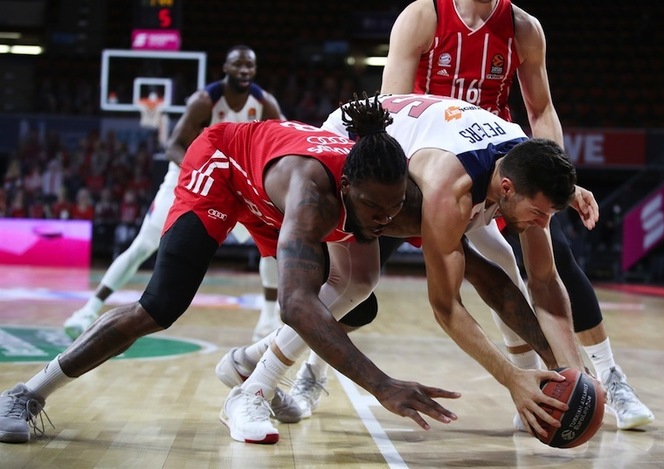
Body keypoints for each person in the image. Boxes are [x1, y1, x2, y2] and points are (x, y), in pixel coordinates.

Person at [0, 94, 460, 445]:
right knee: (160, 306)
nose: (383, 219)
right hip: (224, 166)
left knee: (357, 306)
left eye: (393, 208)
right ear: (345, 187)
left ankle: (250, 373)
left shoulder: (392, 197)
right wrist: (381, 385)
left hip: (270, 188)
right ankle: (28, 392)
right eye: (371, 207)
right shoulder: (313, 197)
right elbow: (295, 305)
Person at [215, 94, 601, 442]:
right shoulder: (451, 191)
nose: (539, 222)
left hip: (421, 144)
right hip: (350, 146)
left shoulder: (528, 168)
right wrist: (510, 379)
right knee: (352, 283)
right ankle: (255, 386)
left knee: (493, 266)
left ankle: (247, 362)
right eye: (538, 213)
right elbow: (446, 308)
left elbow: (543, 281)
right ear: (505, 189)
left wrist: (566, 368)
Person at [355, 0, 654, 431]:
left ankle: (603, 378)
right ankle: (310, 368)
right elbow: (392, 109)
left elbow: (541, 110)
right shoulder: (425, 15)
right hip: (428, 166)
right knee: (356, 277)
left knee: (554, 263)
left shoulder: (523, 28)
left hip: (499, 163)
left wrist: (559, 183)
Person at [63, 45, 287, 343]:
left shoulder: (265, 103)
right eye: (238, 65)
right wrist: (201, 168)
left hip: (236, 183)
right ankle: (89, 310)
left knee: (270, 239)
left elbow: (283, 138)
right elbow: (172, 145)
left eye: (250, 66)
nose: (244, 71)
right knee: (143, 246)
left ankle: (268, 319)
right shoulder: (204, 100)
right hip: (190, 175)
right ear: (226, 67)